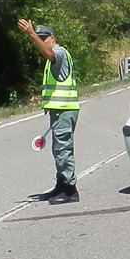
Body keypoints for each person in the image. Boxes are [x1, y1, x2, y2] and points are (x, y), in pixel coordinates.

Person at [18, 18, 79, 204]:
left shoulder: (59, 53)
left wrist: (30, 34)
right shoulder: (55, 55)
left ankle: (70, 189)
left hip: (64, 109)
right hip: (59, 110)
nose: (40, 41)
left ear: (52, 38)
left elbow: (49, 54)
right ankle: (61, 185)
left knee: (63, 149)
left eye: (42, 38)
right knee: (58, 149)